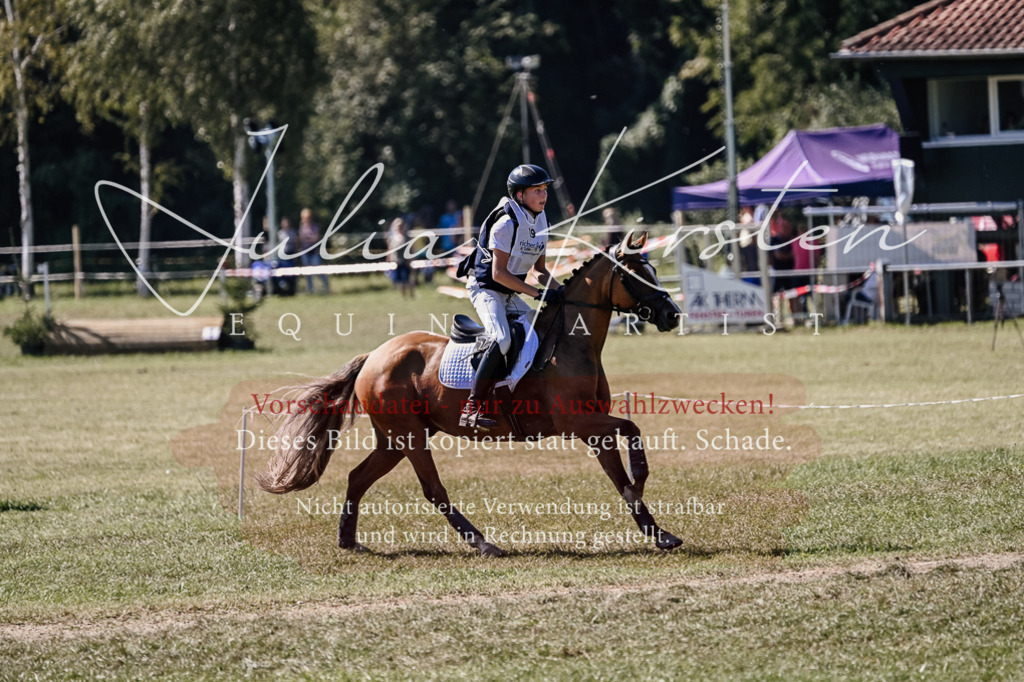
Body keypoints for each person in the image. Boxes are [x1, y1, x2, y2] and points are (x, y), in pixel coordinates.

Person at [458, 164, 563, 430]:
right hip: (486, 287)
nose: (543, 195)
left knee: (540, 331)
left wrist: (561, 291)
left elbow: (539, 271)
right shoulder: (505, 223)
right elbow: (499, 273)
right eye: (536, 191)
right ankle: (472, 406)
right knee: (502, 338)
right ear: (519, 196)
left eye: (544, 190)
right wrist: (537, 294)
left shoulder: (541, 220)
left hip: (510, 290)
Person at [298, 208, 329, 294]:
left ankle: (326, 287)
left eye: (308, 217)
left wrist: (307, 238)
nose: (306, 219)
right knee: (307, 272)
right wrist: (308, 238)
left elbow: (315, 238)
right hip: (305, 251)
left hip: (314, 252)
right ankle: (310, 289)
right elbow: (301, 238)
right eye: (304, 217)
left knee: (319, 270)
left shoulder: (315, 226)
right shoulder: (302, 227)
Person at [387, 217, 415, 298]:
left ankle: (411, 294)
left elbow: (411, 249)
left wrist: (410, 260)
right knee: (399, 280)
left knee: (406, 279)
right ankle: (403, 295)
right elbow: (390, 249)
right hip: (396, 261)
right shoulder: (392, 238)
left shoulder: (406, 237)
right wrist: (389, 259)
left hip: (405, 261)